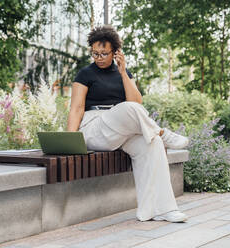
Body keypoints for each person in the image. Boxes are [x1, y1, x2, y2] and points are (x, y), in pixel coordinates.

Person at [67, 25, 189, 223]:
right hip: (94, 128)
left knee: (152, 144)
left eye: (104, 54)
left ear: (115, 52)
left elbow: (136, 101)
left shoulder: (124, 72)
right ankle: (161, 132)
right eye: (95, 53)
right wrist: (71, 141)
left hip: (119, 131)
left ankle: (161, 210)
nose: (98, 58)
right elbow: (76, 108)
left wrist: (124, 73)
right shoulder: (85, 74)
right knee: (129, 109)